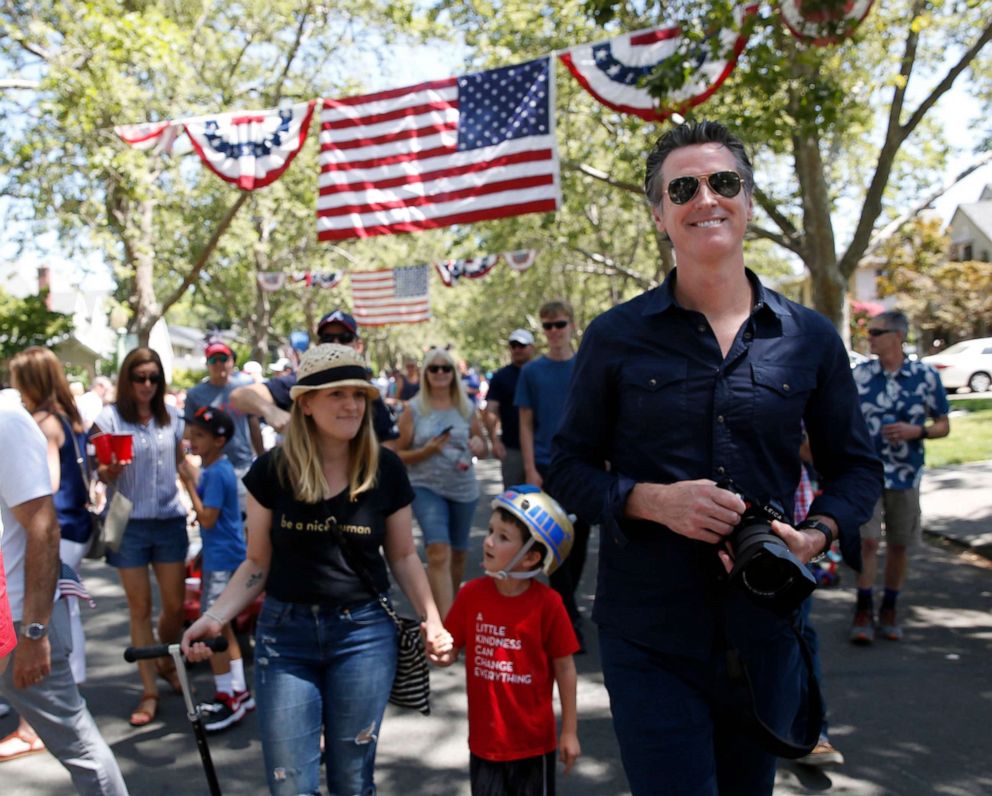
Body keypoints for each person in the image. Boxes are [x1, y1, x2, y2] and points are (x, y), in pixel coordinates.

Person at [547, 120, 882, 795]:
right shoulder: (615, 337)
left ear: (749, 202)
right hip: (650, 635)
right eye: (684, 188)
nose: (706, 198)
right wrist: (649, 500)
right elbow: (566, 467)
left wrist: (814, 535)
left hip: (764, 630)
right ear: (659, 215)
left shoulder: (809, 337)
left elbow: (857, 468)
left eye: (723, 182)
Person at [182, 344, 451, 795]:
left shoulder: (385, 469)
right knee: (291, 785)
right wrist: (213, 617)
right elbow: (256, 563)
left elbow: (404, 555)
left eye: (358, 395)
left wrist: (433, 620)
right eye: (336, 394)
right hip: (285, 637)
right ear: (305, 403)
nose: (351, 404)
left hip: (363, 634)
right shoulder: (272, 471)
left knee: (352, 780)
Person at [0, 400, 128, 793]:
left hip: (20, 619)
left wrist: (35, 633)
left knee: (79, 747)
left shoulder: (6, 420)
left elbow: (44, 529)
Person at [439, 486, 580, 795]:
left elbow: (565, 669)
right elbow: (450, 649)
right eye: (490, 530)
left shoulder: (549, 604)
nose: (488, 541)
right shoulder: (470, 595)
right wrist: (438, 647)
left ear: (530, 556)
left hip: (533, 746)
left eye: (503, 537)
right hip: (485, 744)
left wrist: (569, 731)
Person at [93, 348, 189, 727]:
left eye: (153, 377)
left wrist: (204, 503)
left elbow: (181, 463)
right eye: (140, 378)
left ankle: (165, 658)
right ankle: (149, 690)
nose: (147, 385)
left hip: (169, 520)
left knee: (175, 608)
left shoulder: (173, 417)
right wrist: (110, 469)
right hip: (126, 520)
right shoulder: (109, 418)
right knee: (139, 608)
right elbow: (101, 472)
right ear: (126, 380)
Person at [850, 310, 950, 643]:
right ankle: (863, 609)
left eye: (876, 332)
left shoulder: (925, 376)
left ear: (897, 336)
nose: (871, 339)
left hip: (906, 475)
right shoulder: (859, 376)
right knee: (867, 541)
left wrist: (916, 431)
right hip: (866, 473)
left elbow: (943, 425)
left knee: (898, 545)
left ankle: (889, 607)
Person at [515, 300, 591, 647]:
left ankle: (562, 607)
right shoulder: (531, 371)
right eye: (547, 327)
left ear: (572, 326)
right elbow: (525, 423)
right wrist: (530, 467)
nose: (554, 332)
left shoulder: (587, 366)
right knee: (554, 541)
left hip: (584, 464)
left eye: (560, 324)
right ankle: (569, 618)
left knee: (580, 539)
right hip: (546, 466)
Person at [395, 346, 488, 619]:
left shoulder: (466, 407)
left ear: (453, 373)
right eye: (433, 368)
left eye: (445, 368)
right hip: (425, 487)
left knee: (458, 555)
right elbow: (397, 454)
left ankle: (452, 609)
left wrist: (479, 444)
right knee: (438, 551)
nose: (439, 373)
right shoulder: (413, 409)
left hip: (463, 489)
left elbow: (482, 446)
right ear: (425, 373)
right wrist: (427, 451)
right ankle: (445, 626)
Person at [177, 406, 251, 732]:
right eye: (191, 433)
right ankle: (239, 690)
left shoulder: (217, 473)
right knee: (226, 627)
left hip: (223, 560)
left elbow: (208, 517)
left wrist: (188, 485)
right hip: (222, 554)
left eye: (199, 435)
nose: (191, 440)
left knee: (212, 628)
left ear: (219, 440)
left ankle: (226, 697)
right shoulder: (214, 468)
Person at [230, 309, 399, 449]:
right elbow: (239, 396)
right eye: (327, 338)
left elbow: (389, 446)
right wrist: (270, 411)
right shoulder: (301, 381)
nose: (335, 343)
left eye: (345, 337)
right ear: (305, 402)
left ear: (358, 345)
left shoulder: (372, 396)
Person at [185, 338, 263, 515]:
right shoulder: (195, 394)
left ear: (232, 362)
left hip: (243, 464)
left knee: (245, 519)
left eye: (223, 359)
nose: (219, 364)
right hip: (211, 467)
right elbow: (189, 432)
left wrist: (263, 458)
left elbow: (253, 422)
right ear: (207, 364)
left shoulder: (245, 386)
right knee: (214, 519)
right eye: (213, 360)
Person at [483, 329, 535, 489]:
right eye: (513, 345)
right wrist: (495, 440)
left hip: (543, 449)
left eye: (522, 345)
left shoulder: (542, 372)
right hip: (513, 449)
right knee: (514, 500)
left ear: (531, 347)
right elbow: (490, 410)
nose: (517, 349)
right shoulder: (501, 377)